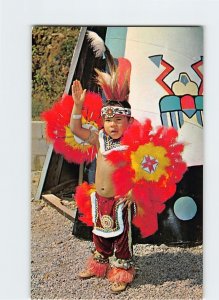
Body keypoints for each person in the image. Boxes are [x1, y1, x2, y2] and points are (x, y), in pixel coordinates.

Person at [70, 78, 136, 294]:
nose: (113, 125)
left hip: (120, 200)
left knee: (121, 237)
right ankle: (99, 264)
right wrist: (78, 106)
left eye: (119, 119)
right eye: (108, 120)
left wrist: (134, 190)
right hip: (99, 198)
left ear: (130, 121)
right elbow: (76, 129)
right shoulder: (99, 138)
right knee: (100, 233)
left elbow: (142, 170)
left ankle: (122, 271)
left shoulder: (133, 144)